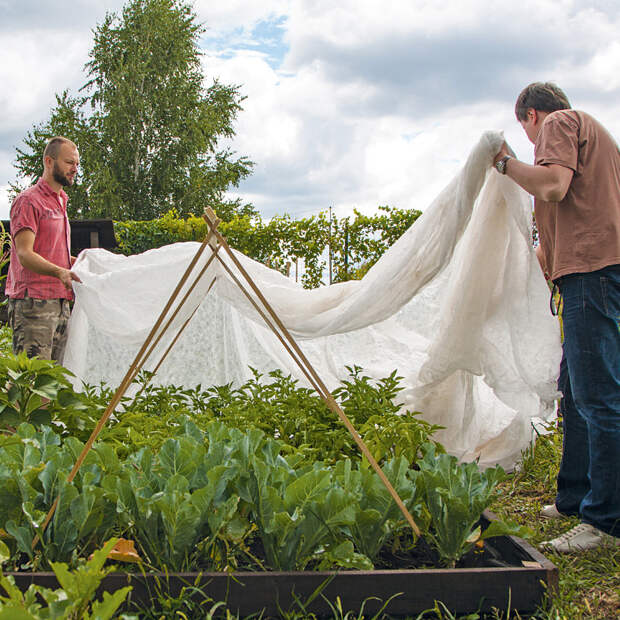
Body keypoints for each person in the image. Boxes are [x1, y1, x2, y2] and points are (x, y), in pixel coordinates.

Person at [493, 82, 620, 552]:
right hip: (591, 273)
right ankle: (576, 498)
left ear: (529, 115)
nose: (535, 148)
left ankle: (606, 521)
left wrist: (505, 164)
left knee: (598, 397)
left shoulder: (560, 123)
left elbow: (551, 184)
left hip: (592, 272)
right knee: (576, 391)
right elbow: (563, 217)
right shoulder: (600, 143)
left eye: (528, 133)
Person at [5, 136, 82, 363]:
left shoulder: (61, 201)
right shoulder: (29, 201)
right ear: (49, 162)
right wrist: (60, 272)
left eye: (76, 164)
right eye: (69, 163)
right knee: (31, 380)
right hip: (33, 304)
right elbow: (25, 254)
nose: (74, 169)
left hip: (59, 301)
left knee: (52, 381)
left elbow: (51, 252)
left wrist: (78, 263)